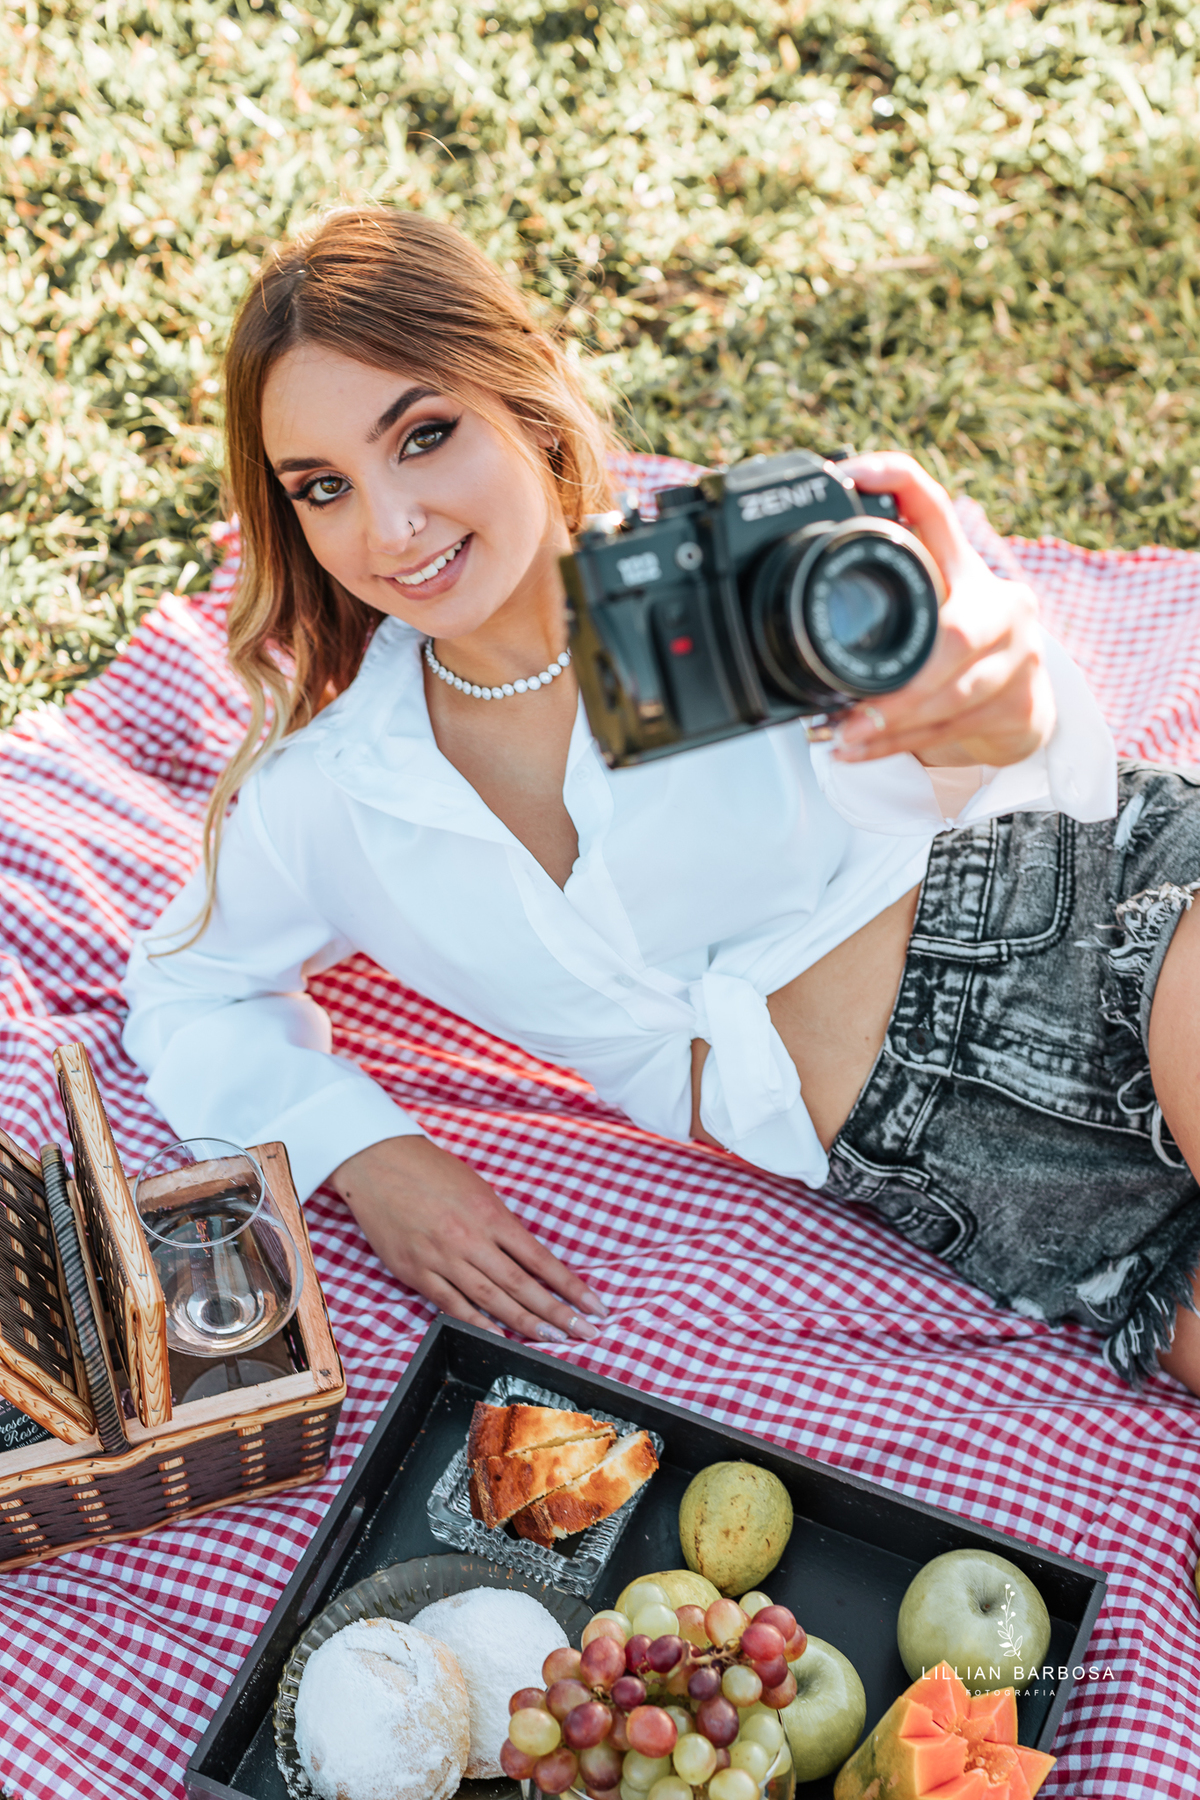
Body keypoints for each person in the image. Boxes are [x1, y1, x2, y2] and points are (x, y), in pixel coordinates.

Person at [122, 208, 1200, 1394]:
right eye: (324, 487)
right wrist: (371, 1156)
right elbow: (189, 991)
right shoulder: (329, 799)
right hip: (980, 1198)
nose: (390, 527)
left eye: (425, 435)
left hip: (1101, 946)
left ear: (526, 399)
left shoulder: (731, 583)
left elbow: (970, 718)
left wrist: (995, 689)